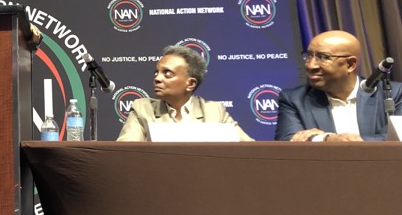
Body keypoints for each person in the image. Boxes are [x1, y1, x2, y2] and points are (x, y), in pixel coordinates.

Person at [275, 30, 402, 141]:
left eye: (323, 57)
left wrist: (337, 141)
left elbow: (397, 138)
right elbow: (288, 139)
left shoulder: (393, 94)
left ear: (350, 64)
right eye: (309, 56)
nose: (310, 65)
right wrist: (326, 139)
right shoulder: (294, 99)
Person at [117, 45, 253, 141]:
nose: (157, 78)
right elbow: (126, 152)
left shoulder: (214, 111)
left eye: (167, 73)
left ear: (191, 83)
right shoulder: (142, 109)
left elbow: (249, 150)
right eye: (156, 72)